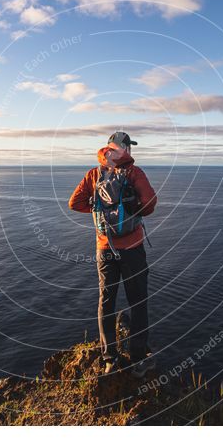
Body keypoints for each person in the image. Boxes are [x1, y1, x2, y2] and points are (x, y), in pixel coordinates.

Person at [68, 132, 158, 377]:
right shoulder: (134, 173)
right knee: (137, 302)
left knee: (106, 302)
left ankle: (110, 358)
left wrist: (99, 210)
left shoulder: (94, 174)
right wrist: (130, 213)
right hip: (132, 250)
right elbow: (150, 204)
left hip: (104, 248)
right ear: (125, 148)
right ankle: (138, 357)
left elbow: (74, 203)